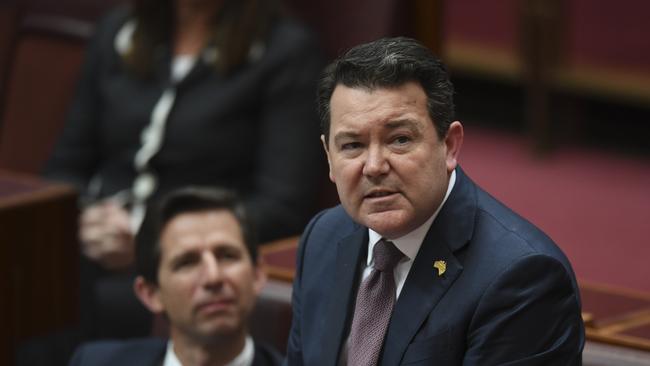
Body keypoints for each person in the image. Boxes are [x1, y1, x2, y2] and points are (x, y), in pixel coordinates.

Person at [286, 37, 585, 365]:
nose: (373, 166)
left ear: (450, 145)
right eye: (352, 145)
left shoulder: (523, 278)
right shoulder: (323, 238)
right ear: (329, 157)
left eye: (400, 140)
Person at [42, 0, 324, 340]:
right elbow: (64, 167)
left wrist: (149, 236)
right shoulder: (118, 31)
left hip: (192, 254)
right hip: (94, 241)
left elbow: (282, 206)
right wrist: (85, 220)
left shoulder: (285, 50)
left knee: (77, 301)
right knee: (35, 278)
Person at [69, 186, 281, 366]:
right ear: (151, 294)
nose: (213, 277)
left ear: (258, 274)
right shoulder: (95, 361)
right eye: (187, 263)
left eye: (227, 256)